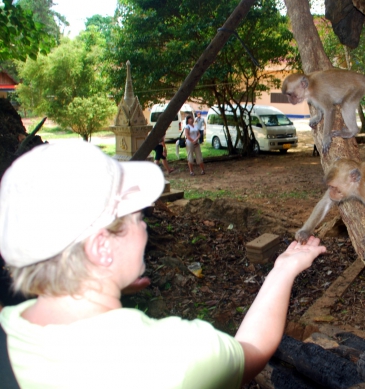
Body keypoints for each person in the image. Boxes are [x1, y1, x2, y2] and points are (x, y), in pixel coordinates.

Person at [0, 141, 327, 388]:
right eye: (138, 218)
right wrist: (284, 268)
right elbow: (251, 351)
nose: (145, 228)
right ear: (101, 248)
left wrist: (104, 279)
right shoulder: (169, 355)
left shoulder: (9, 329)